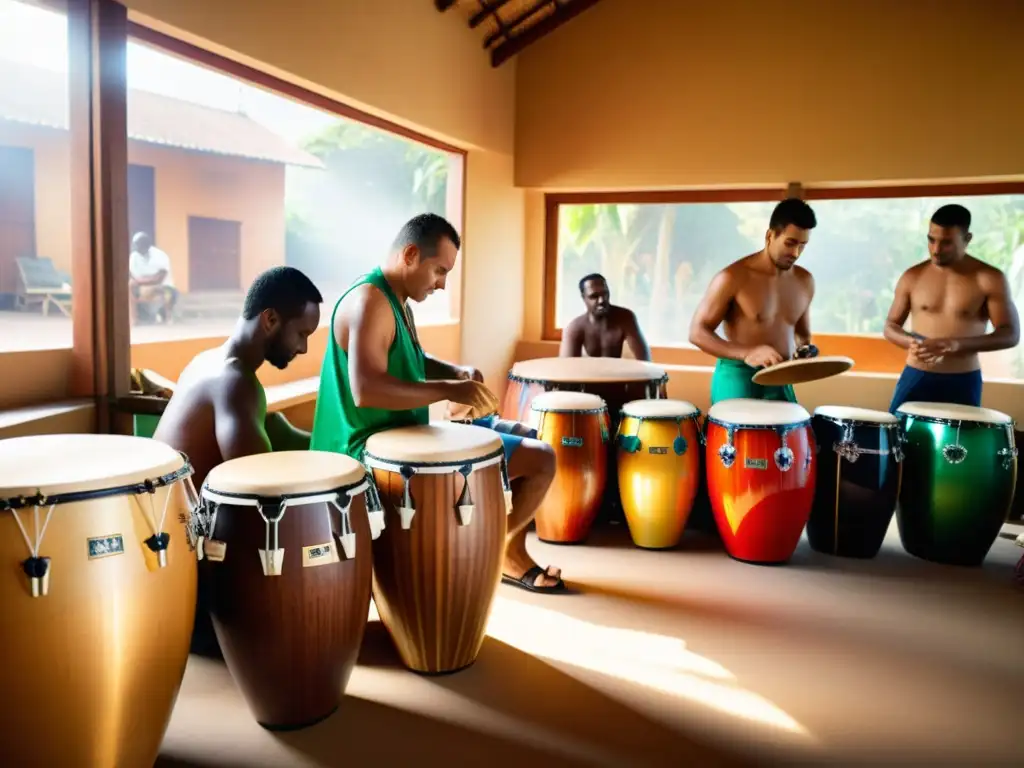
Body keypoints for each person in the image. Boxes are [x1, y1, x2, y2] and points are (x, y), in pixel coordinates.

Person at [310, 213, 565, 594]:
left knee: (537, 453)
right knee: (540, 458)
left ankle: (499, 550)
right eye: (439, 271)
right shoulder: (369, 301)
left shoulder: (395, 299)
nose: (442, 284)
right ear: (411, 254)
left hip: (406, 442)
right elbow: (367, 389)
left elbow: (411, 362)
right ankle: (493, 551)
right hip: (366, 453)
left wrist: (457, 373)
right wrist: (450, 389)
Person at [153, 266, 322, 657]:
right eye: (302, 334)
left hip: (165, 547)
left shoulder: (208, 360)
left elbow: (272, 430)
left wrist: (327, 447)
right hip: (191, 571)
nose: (303, 349)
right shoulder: (236, 383)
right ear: (270, 319)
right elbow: (257, 486)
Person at [883, 204, 1020, 413]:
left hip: (962, 379)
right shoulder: (912, 276)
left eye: (946, 243)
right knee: (897, 443)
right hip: (916, 375)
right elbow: (890, 326)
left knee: (961, 445)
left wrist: (954, 344)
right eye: (931, 239)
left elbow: (1010, 334)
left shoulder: (989, 278)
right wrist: (910, 342)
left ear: (967, 239)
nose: (936, 249)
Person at [688, 198, 818, 404]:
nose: (795, 253)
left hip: (781, 376)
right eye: (790, 243)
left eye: (802, 245)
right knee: (734, 437)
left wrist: (805, 350)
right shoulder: (732, 277)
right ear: (770, 236)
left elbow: (802, 335)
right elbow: (697, 332)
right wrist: (747, 353)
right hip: (738, 375)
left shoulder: (805, 281)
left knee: (794, 435)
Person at [559, 273, 652, 360]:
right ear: (584, 298)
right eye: (594, 296)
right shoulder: (575, 328)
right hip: (588, 376)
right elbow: (566, 368)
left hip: (619, 375)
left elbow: (644, 361)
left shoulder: (625, 318)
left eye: (605, 294)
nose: (601, 300)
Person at [129, 232, 178, 325]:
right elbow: (134, 275)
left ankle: (168, 317)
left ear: (146, 245)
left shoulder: (160, 255)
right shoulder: (134, 257)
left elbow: (160, 278)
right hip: (143, 285)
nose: (137, 248)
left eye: (139, 245)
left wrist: (142, 281)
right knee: (129, 285)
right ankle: (133, 319)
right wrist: (142, 281)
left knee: (168, 293)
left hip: (162, 286)